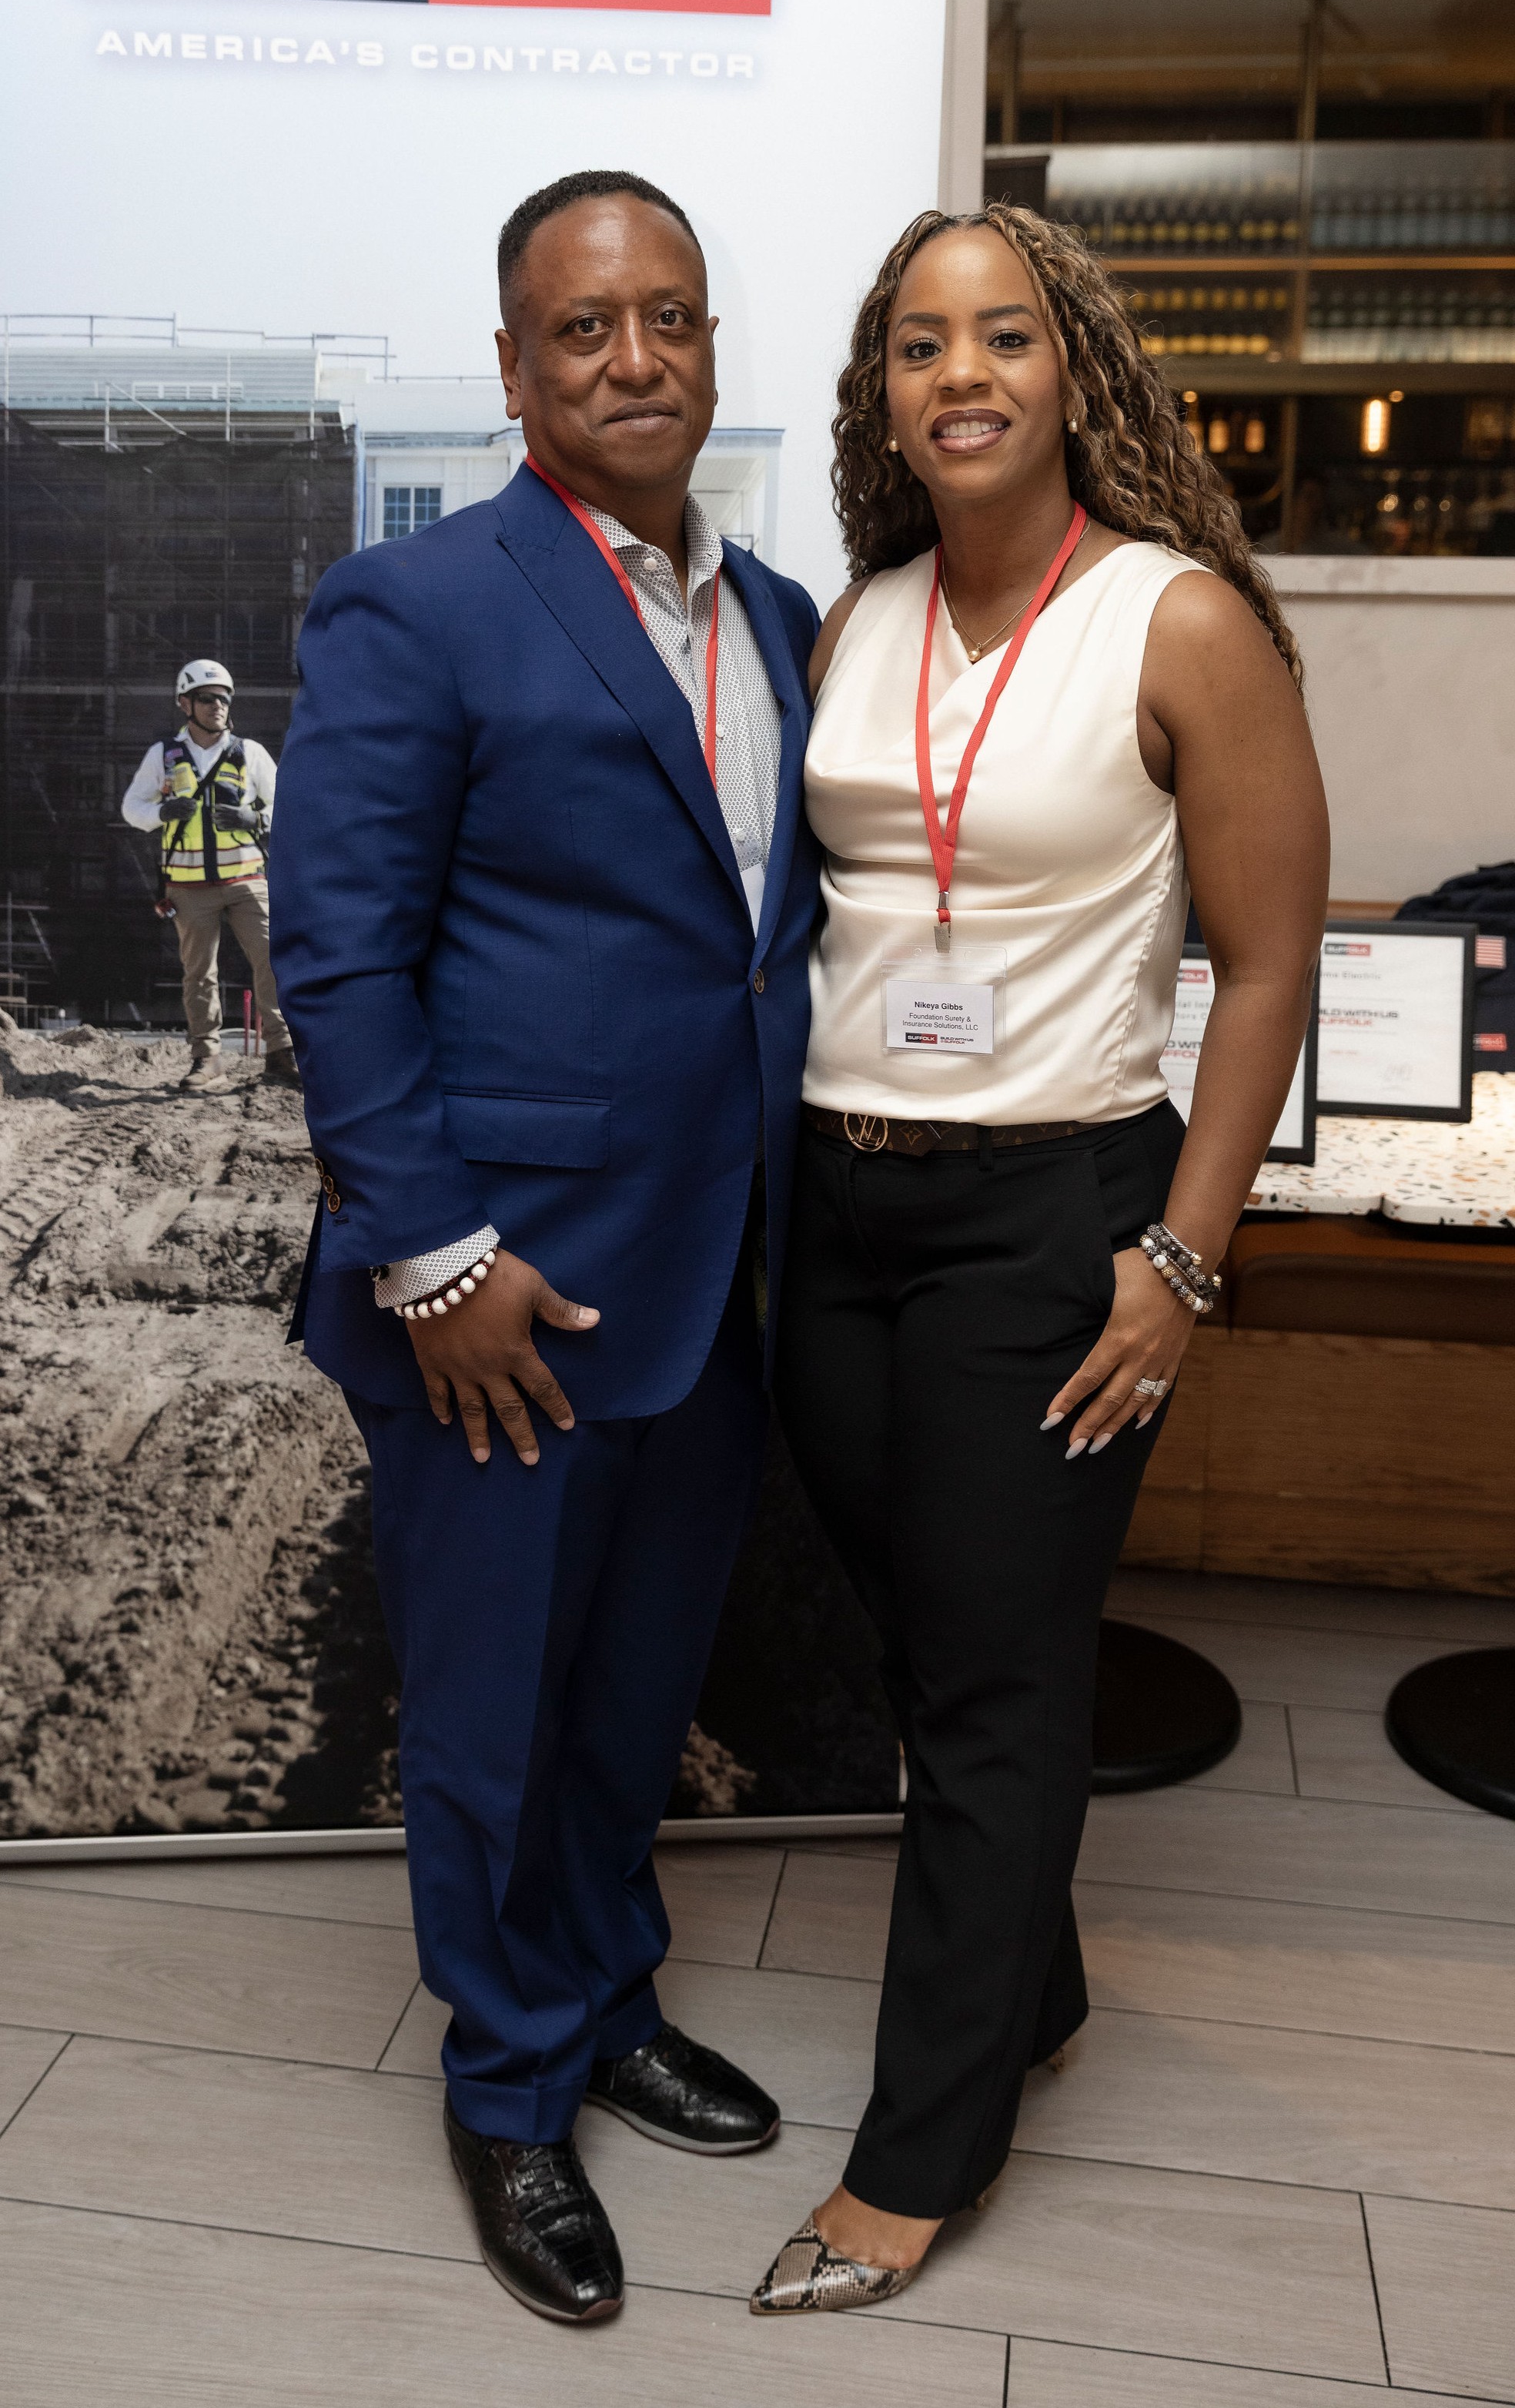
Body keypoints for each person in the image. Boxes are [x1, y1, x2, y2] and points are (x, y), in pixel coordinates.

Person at [750, 202, 1329, 2316]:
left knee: (996, 1686)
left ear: (1072, 369)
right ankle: (1038, 1983)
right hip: (839, 1200)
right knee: (937, 1645)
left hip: (1054, 1210)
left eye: (1005, 337)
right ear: (881, 392)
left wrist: (1184, 1260)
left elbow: (1265, 968)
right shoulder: (858, 619)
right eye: (921, 345)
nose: (962, 375)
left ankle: (922, 2150)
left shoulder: (1179, 624)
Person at [267, 171, 820, 2329]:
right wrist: (427, 1257)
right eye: (584, 327)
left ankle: (600, 2003)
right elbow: (341, 948)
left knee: (628, 1700)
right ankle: (504, 2090)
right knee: (497, 1712)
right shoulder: (416, 602)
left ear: (707, 344)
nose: (634, 356)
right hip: (502, 1301)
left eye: (669, 317)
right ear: (514, 368)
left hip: (712, 1277)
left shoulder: (777, 613)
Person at [121, 659, 298, 1091]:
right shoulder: (163, 755)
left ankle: (282, 1053)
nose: (217, 705)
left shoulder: (249, 752)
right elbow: (131, 809)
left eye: (223, 698)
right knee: (199, 973)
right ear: (185, 703)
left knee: (272, 962)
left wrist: (253, 818)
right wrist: (161, 811)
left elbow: (288, 807)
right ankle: (208, 1058)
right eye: (207, 697)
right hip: (189, 886)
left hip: (246, 881)